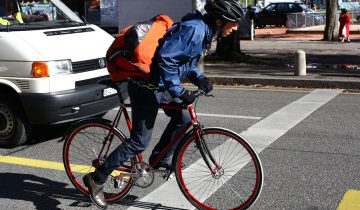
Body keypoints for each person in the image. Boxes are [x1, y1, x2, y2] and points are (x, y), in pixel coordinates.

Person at [82, 0, 244, 209]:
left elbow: (183, 61)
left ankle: (160, 159)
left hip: (158, 85)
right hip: (145, 88)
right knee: (139, 141)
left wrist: (199, 78)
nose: (236, 27)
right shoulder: (195, 30)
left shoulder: (204, 30)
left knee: (183, 117)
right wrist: (179, 91)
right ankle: (97, 179)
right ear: (221, 21)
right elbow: (166, 60)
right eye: (234, 23)